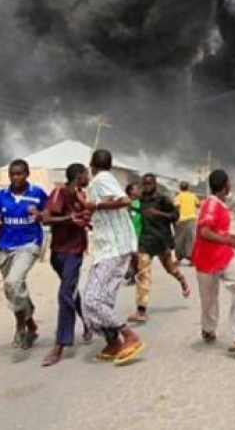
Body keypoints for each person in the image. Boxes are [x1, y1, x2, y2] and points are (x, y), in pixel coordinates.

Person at [82, 150, 145, 365]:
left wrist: (96, 206)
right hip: (110, 247)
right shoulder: (106, 180)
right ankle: (112, 342)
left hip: (114, 248)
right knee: (102, 299)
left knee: (92, 299)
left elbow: (125, 201)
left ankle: (129, 335)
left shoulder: (101, 179)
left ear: (92, 165)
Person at [0, 159, 48, 350]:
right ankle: (31, 324)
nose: (15, 177)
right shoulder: (1, 195)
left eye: (19, 173)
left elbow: (50, 211)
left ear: (27, 174)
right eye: (12, 174)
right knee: (13, 289)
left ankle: (20, 325)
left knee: (13, 282)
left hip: (29, 245)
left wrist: (40, 214)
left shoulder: (37, 193)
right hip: (4, 247)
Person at [193, 169, 235, 354]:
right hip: (206, 260)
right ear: (224, 185)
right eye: (229, 182)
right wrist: (230, 241)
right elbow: (204, 231)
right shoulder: (211, 204)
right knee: (209, 301)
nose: (231, 185)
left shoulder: (220, 204)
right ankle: (208, 329)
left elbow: (220, 232)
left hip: (224, 257)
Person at [41, 163, 93, 367]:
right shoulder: (60, 192)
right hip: (59, 252)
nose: (88, 177)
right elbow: (47, 219)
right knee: (69, 291)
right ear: (79, 176)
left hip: (75, 251)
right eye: (86, 174)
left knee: (65, 292)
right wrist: (69, 219)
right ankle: (88, 323)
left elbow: (84, 219)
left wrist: (84, 219)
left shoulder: (81, 197)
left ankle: (60, 344)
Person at [129, 173, 190, 324]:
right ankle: (141, 310)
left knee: (170, 269)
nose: (147, 187)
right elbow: (139, 210)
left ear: (155, 184)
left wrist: (159, 213)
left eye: (149, 184)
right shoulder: (141, 199)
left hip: (161, 240)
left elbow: (175, 215)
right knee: (143, 274)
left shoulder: (162, 199)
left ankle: (182, 280)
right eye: (145, 184)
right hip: (145, 241)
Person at [174, 181, 199, 262]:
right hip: (192, 219)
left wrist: (176, 219)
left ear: (180, 188)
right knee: (190, 239)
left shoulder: (178, 196)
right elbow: (198, 204)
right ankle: (190, 257)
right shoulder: (193, 195)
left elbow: (177, 207)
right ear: (188, 188)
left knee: (179, 239)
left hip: (181, 220)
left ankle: (179, 257)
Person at [124, 183, 142, 286]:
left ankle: (134, 272)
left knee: (136, 255)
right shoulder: (126, 203)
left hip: (140, 232)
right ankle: (132, 272)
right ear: (130, 191)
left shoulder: (141, 202)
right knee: (131, 255)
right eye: (136, 188)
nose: (139, 190)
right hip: (129, 233)